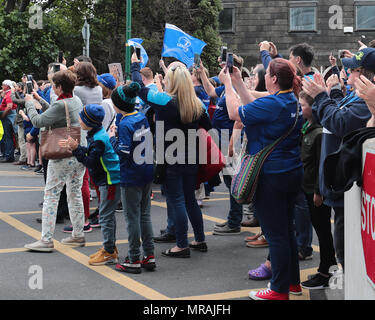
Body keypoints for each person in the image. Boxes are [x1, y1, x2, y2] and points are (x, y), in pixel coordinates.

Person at [222, 58, 304, 300]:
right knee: (286, 231)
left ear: (274, 79)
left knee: (275, 234)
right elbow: (252, 109)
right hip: (291, 171)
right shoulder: (290, 101)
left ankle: (278, 290)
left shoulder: (274, 103)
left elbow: (234, 112)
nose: (264, 76)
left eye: (267, 73)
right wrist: (238, 81)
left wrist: (227, 84)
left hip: (271, 175)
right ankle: (292, 283)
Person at [302, 47, 375, 272]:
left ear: (366, 75)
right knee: (344, 251)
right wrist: (330, 94)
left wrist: (322, 96)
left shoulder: (364, 101)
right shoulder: (356, 96)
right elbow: (338, 112)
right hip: (340, 187)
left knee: (349, 255)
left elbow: (339, 122)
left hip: (351, 190)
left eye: (353, 70)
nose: (347, 74)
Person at [131, 54, 212, 258]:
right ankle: (200, 239)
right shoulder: (197, 104)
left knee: (176, 200)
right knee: (190, 200)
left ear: (172, 82)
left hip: (171, 155)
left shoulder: (165, 101)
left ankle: (182, 245)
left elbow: (138, 89)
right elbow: (208, 126)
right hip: (192, 155)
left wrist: (135, 66)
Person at [24, 70, 86, 252]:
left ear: (59, 87)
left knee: (51, 195)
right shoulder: (75, 100)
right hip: (78, 152)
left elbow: (37, 121)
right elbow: (54, 111)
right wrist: (39, 99)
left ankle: (46, 240)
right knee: (74, 194)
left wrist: (29, 104)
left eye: (54, 85)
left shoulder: (61, 105)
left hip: (62, 154)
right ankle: (78, 234)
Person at [59, 104, 121, 265]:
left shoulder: (99, 138)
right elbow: (92, 153)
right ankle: (110, 248)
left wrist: (75, 150)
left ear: (88, 121)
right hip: (106, 180)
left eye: (81, 117)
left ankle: (109, 251)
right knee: (107, 216)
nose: (79, 119)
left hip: (110, 181)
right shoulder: (96, 134)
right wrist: (78, 148)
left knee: (106, 217)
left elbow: (90, 162)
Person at [109, 82, 156, 273]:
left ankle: (134, 257)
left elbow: (124, 151)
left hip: (131, 174)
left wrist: (113, 138)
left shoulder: (126, 123)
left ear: (118, 105)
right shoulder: (140, 117)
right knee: (145, 215)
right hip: (146, 169)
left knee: (132, 217)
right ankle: (149, 255)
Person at [197, 54, 245, 235]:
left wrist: (232, 145)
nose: (219, 68)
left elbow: (238, 120)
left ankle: (234, 222)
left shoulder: (236, 90)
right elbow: (210, 91)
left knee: (233, 181)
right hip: (222, 138)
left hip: (229, 140)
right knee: (229, 181)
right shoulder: (227, 88)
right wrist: (202, 73)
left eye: (222, 66)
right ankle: (233, 219)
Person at [298, 91, 337, 289]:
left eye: (302, 104)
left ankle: (326, 270)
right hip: (307, 187)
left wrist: (318, 191)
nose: (300, 108)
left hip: (315, 190)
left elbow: (321, 165)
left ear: (313, 108)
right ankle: (326, 267)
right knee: (319, 229)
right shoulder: (307, 127)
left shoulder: (319, 132)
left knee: (323, 231)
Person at [0, 80, 17, 163]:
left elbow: (9, 106)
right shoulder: (8, 93)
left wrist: (3, 115)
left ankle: (9, 156)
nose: (2, 86)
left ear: (7, 86)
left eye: (3, 85)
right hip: (9, 116)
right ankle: (9, 155)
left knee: (8, 136)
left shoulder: (9, 94)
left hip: (8, 116)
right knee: (9, 136)